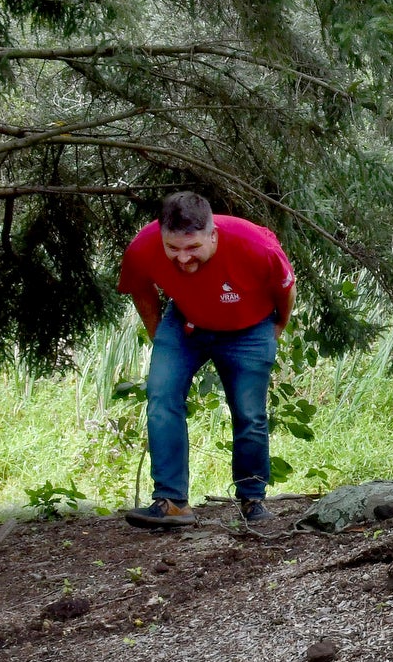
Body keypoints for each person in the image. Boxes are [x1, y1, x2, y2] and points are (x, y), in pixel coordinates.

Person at [116, 192, 294, 528]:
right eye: (174, 249)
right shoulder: (143, 246)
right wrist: (161, 338)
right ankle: (171, 502)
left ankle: (252, 500)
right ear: (162, 237)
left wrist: (279, 324)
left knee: (249, 414)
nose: (183, 258)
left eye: (193, 247)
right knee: (161, 396)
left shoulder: (255, 245)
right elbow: (140, 288)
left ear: (212, 235)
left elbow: (286, 288)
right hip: (185, 324)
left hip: (249, 329)